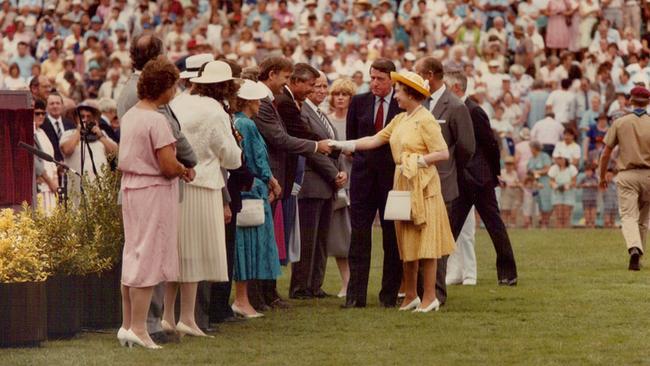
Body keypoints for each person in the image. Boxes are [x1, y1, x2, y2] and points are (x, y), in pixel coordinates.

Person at [330, 70, 454, 313]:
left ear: (410, 94)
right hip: (402, 182)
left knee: (425, 240)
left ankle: (429, 297)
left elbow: (442, 152)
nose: (395, 95)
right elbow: (375, 139)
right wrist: (342, 145)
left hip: (422, 184)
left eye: (399, 91)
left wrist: (418, 161)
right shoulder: (401, 119)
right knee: (405, 238)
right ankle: (410, 296)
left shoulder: (425, 119)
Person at [116, 34, 198, 343]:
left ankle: (128, 324)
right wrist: (184, 170)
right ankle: (141, 326)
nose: (175, 91)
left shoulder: (134, 114)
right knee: (148, 258)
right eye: (173, 86)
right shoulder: (156, 120)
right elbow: (167, 164)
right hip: (152, 189)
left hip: (133, 187)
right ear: (162, 88)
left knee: (133, 254)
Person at [161, 60, 243, 336]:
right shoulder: (215, 111)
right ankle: (186, 317)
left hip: (175, 183)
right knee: (193, 255)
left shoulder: (179, 102)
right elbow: (232, 159)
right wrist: (236, 145)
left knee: (177, 251)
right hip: (203, 185)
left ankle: (167, 316)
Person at [252, 56, 331, 309]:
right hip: (271, 176)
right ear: (273, 74)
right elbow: (280, 138)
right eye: (286, 78)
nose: (287, 83)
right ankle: (260, 295)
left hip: (277, 176)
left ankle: (266, 293)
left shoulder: (273, 100)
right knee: (265, 238)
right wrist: (317, 146)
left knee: (270, 238)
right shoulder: (270, 102)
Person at [446, 71, 519, 286]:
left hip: (479, 179)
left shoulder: (474, 111)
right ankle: (437, 274)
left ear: (457, 88)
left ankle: (508, 274)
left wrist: (494, 173)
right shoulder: (454, 109)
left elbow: (490, 144)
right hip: (462, 179)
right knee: (451, 228)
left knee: (494, 225)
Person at [342, 58, 403, 309]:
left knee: (392, 239)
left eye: (380, 78)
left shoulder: (401, 105)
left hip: (392, 182)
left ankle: (389, 296)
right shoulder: (359, 102)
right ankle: (355, 296)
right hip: (363, 180)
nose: (374, 83)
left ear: (392, 80)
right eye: (372, 78)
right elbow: (352, 140)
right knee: (359, 238)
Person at [415, 57, 475, 305]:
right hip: (417, 181)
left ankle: (436, 293)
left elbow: (466, 147)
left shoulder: (456, 106)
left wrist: (448, 168)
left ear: (429, 75)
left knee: (437, 241)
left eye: (418, 73)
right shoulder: (418, 102)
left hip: (442, 182)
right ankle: (418, 292)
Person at [291, 71, 347, 299]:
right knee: (308, 238)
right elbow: (314, 150)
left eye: (325, 87)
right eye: (317, 86)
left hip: (328, 183)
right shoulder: (302, 112)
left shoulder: (321, 114)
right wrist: (335, 173)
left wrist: (340, 170)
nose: (322, 91)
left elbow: (333, 147)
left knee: (322, 238)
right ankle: (301, 286)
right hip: (313, 182)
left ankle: (315, 284)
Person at [231, 79, 282, 318]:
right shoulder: (247, 125)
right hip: (252, 190)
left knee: (246, 244)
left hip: (248, 187)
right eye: (258, 100)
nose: (261, 104)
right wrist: (271, 180)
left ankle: (245, 298)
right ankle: (242, 300)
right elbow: (256, 160)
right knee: (249, 245)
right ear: (249, 101)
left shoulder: (237, 121)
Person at [600, 86, 650, 271]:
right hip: (649, 175)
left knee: (628, 216)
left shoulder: (620, 122)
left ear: (630, 100)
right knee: (643, 220)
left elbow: (606, 153)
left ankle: (634, 248)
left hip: (627, 174)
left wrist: (601, 175)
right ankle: (639, 254)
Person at [327, 77, 356, 297]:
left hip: (357, 179)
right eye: (337, 94)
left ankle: (355, 280)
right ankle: (346, 281)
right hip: (337, 182)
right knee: (339, 235)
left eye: (344, 94)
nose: (340, 98)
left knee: (356, 233)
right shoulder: (327, 121)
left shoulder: (356, 121)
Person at [59, 101, 118, 194]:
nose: (85, 119)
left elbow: (115, 152)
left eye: (88, 116)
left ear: (93, 119)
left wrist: (100, 136)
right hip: (76, 189)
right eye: (82, 116)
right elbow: (67, 150)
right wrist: (79, 130)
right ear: (76, 119)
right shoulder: (68, 134)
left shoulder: (101, 135)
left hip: (99, 188)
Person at [32, 99, 58, 213]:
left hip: (52, 185)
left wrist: (55, 180)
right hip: (41, 185)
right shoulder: (30, 132)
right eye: (37, 113)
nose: (41, 116)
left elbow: (51, 159)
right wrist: (49, 181)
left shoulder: (42, 132)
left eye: (43, 113)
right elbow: (34, 160)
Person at [528, 141, 554, 228]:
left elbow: (548, 169)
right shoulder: (531, 158)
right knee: (537, 202)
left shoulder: (544, 156)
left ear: (535, 148)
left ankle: (545, 223)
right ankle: (540, 222)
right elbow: (529, 170)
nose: (530, 150)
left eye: (531, 148)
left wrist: (537, 172)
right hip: (535, 183)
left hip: (544, 182)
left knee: (545, 202)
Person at [548, 155, 578, 228]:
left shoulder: (572, 168)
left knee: (566, 215)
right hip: (557, 192)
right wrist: (556, 186)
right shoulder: (553, 168)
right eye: (557, 159)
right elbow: (551, 181)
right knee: (558, 215)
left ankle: (566, 233)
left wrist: (567, 186)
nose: (559, 161)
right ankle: (558, 233)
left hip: (569, 192)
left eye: (561, 159)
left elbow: (574, 181)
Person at [578, 164, 599, 228]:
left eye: (589, 171)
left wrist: (593, 185)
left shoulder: (595, 178)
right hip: (585, 198)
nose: (588, 172)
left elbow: (599, 186)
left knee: (593, 212)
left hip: (593, 198)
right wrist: (584, 185)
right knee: (586, 212)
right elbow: (578, 186)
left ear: (592, 171)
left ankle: (593, 225)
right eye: (586, 171)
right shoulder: (583, 179)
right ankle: (587, 224)